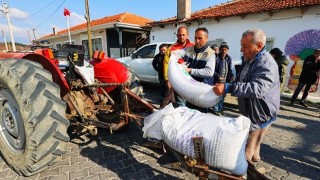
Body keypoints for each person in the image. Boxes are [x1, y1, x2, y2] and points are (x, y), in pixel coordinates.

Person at [214, 29, 280, 162]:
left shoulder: (265, 63)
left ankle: (245, 172)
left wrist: (228, 87)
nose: (241, 49)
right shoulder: (250, 59)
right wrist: (229, 84)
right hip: (252, 112)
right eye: (241, 45)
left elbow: (257, 89)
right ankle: (256, 160)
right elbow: (240, 79)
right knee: (255, 147)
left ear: (259, 46)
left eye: (245, 46)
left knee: (244, 155)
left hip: (260, 115)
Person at [181, 27, 216, 113]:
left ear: (206, 38)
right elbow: (177, 53)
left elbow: (209, 72)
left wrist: (191, 70)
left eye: (200, 38)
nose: (197, 41)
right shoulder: (189, 50)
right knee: (189, 115)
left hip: (202, 94)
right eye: (195, 38)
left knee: (200, 117)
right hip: (190, 91)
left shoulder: (211, 54)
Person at [163, 26, 194, 107]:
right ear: (177, 35)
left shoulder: (193, 46)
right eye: (180, 35)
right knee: (181, 103)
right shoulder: (171, 48)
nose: (181, 37)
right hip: (178, 80)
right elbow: (166, 65)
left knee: (192, 104)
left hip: (192, 80)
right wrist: (167, 79)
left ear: (187, 35)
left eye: (183, 35)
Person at [212, 42, 234, 116]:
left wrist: (231, 76)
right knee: (217, 95)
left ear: (227, 50)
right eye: (222, 49)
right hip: (217, 80)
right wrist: (218, 76)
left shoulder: (229, 58)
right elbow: (213, 70)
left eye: (225, 49)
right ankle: (216, 109)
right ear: (220, 49)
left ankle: (220, 109)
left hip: (225, 81)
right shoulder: (216, 58)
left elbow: (230, 69)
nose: (224, 51)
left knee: (223, 96)